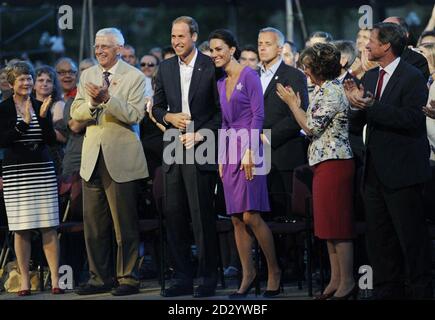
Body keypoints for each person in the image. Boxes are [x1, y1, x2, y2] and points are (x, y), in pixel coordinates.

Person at [344, 22, 433, 299]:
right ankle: (386, 290)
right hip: (373, 173)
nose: (366, 45)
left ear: (386, 46)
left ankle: (420, 291)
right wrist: (354, 106)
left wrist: (372, 106)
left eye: (371, 40)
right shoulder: (370, 78)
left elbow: (412, 119)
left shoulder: (412, 77)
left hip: (403, 172)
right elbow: (360, 123)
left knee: (411, 238)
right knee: (380, 239)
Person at [71, 27, 149, 296]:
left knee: (124, 224)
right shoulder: (87, 75)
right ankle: (99, 278)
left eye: (105, 46)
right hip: (92, 156)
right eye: (96, 46)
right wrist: (92, 104)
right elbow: (76, 111)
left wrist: (108, 100)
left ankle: (128, 277)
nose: (99, 51)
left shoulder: (136, 77)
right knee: (94, 225)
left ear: (119, 48)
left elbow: (136, 115)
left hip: (122, 157)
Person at [277, 43, 357, 300]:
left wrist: (292, 105)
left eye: (308, 67)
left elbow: (311, 127)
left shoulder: (333, 91)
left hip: (336, 163)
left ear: (318, 68)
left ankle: (348, 280)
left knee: (339, 225)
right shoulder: (323, 90)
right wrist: (299, 107)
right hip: (323, 163)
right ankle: (335, 279)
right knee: (327, 226)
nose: (306, 72)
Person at [209, 28, 282, 298]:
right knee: (236, 218)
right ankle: (248, 274)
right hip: (229, 151)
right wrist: (220, 156)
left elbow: (258, 115)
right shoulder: (219, 83)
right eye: (211, 50)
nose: (214, 54)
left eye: (219, 49)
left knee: (252, 214)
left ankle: (274, 271)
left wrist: (251, 150)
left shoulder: (249, 75)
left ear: (232, 49)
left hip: (251, 149)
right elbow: (224, 123)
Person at [152, 16, 221, 298]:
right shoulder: (165, 67)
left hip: (201, 142)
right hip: (172, 143)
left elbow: (220, 114)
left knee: (201, 215)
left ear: (194, 36)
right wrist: (167, 116)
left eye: (181, 36)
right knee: (175, 214)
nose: (176, 42)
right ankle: (182, 277)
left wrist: (201, 133)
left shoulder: (210, 66)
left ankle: (207, 277)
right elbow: (155, 109)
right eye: (173, 37)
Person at [0, 61, 64, 296]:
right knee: (21, 228)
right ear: (11, 84)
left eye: (29, 78)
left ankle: (56, 280)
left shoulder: (40, 105)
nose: (27, 83)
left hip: (42, 171)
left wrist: (44, 117)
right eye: (22, 80)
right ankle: (25, 281)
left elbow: (50, 140)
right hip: (17, 173)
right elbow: (3, 141)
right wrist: (24, 124)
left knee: (48, 226)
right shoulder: (4, 109)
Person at [257, 27, 309, 220]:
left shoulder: (294, 76)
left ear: (279, 49)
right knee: (263, 217)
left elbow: (297, 114)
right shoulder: (252, 75)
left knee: (286, 216)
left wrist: (267, 137)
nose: (262, 48)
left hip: (283, 154)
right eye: (260, 44)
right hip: (256, 157)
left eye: (267, 44)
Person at [33, 65, 67, 174]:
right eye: (40, 80)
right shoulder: (28, 105)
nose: (44, 84)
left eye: (49, 81)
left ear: (53, 85)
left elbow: (63, 137)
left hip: (54, 157)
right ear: (33, 85)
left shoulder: (58, 105)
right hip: (34, 158)